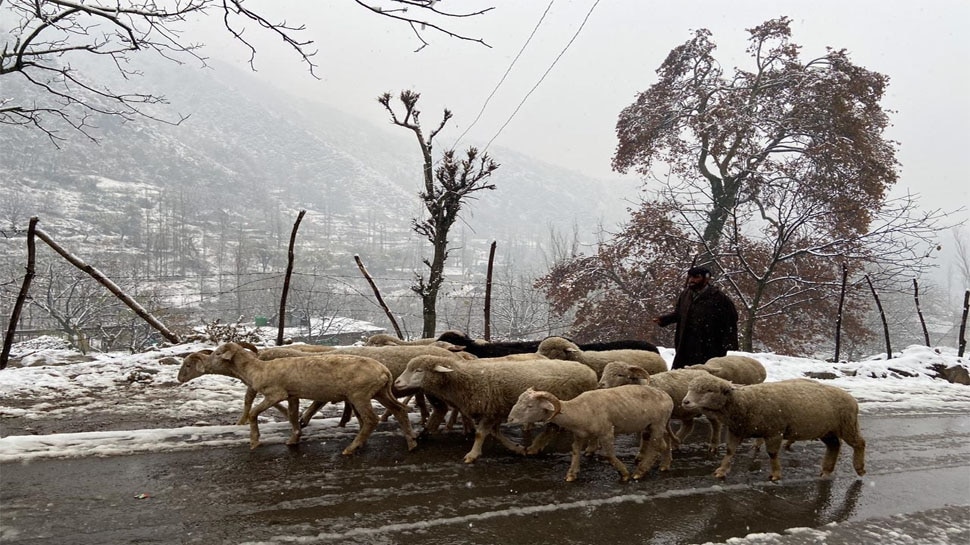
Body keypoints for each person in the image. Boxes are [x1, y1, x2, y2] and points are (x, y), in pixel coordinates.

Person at [653, 265, 739, 369]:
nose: (691, 280)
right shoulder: (685, 295)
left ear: (706, 279)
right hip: (686, 344)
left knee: (704, 376)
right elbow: (679, 313)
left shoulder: (719, 298)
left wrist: (727, 343)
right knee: (681, 375)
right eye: (690, 277)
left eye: (696, 277)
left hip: (709, 346)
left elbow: (731, 320)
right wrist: (664, 320)